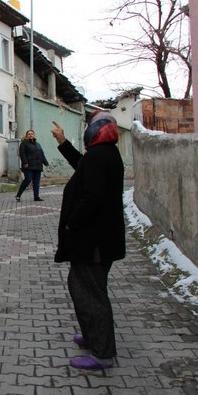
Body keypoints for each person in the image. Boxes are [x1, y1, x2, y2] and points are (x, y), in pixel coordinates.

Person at [50, 112, 125, 370]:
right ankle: (93, 336)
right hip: (100, 241)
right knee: (84, 288)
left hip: (93, 242)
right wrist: (63, 143)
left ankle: (103, 353)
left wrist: (72, 221)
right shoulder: (105, 154)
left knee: (91, 296)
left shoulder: (99, 156)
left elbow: (92, 197)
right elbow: (83, 166)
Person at [15, 130, 49, 202]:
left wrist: (46, 163)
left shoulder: (38, 144)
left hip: (38, 166)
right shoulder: (24, 144)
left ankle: (36, 197)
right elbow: (22, 154)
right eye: (29, 134)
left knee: (36, 182)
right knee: (27, 180)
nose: (30, 135)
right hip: (28, 166)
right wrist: (25, 163)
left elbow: (42, 154)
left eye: (32, 134)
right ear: (26, 135)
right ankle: (18, 195)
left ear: (34, 135)